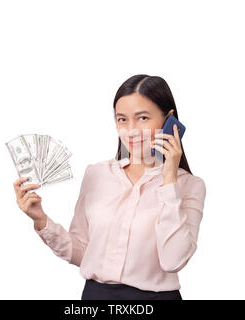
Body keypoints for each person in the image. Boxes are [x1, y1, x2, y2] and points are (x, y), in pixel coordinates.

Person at [12, 74, 206, 300]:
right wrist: (40, 220)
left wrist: (169, 178)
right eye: (122, 119)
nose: (131, 130)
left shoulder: (189, 186)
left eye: (142, 118)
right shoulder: (97, 174)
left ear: (169, 120)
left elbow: (173, 261)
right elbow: (82, 253)